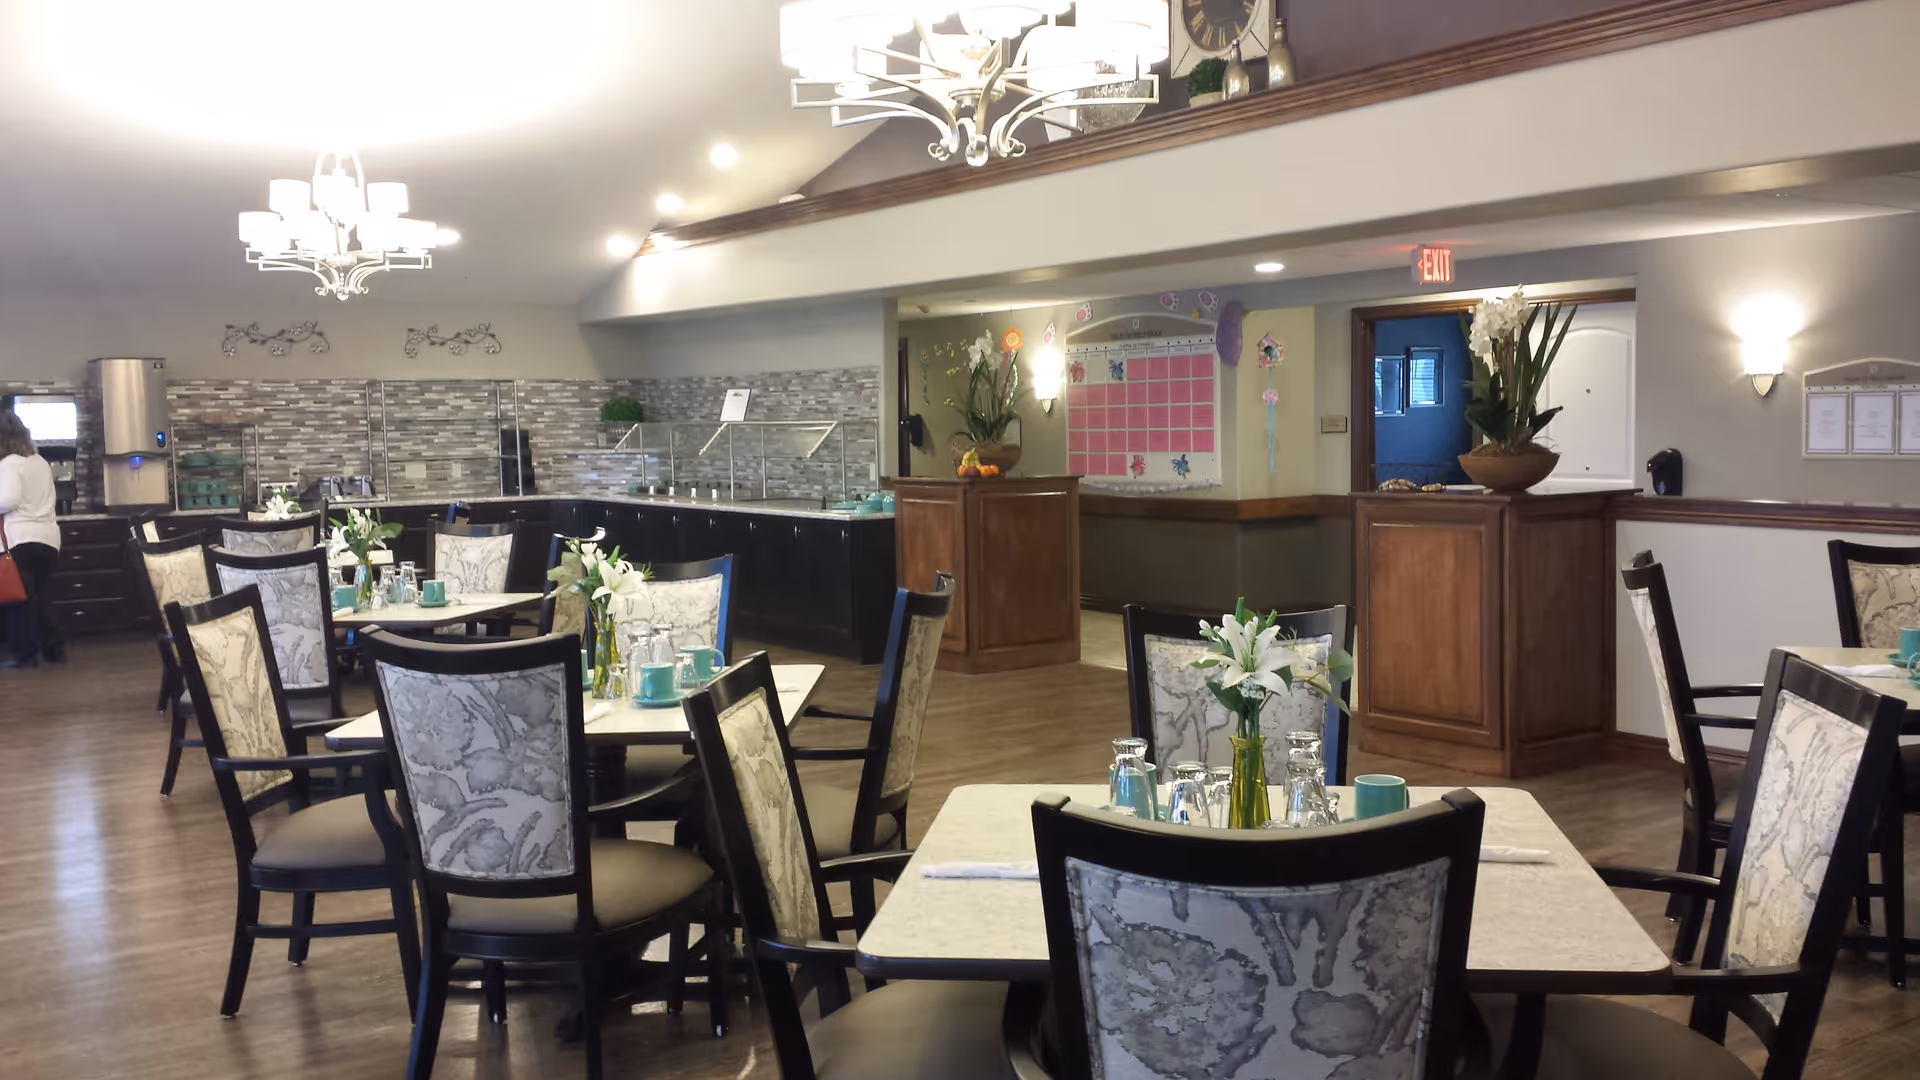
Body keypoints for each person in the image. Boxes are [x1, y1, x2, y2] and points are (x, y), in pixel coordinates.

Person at [0, 411, 63, 668]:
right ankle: (54, 648)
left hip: (21, 540)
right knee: (36, 595)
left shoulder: (8, 464)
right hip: (49, 539)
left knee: (19, 602)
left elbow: (9, 500)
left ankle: (26, 656)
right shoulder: (39, 461)